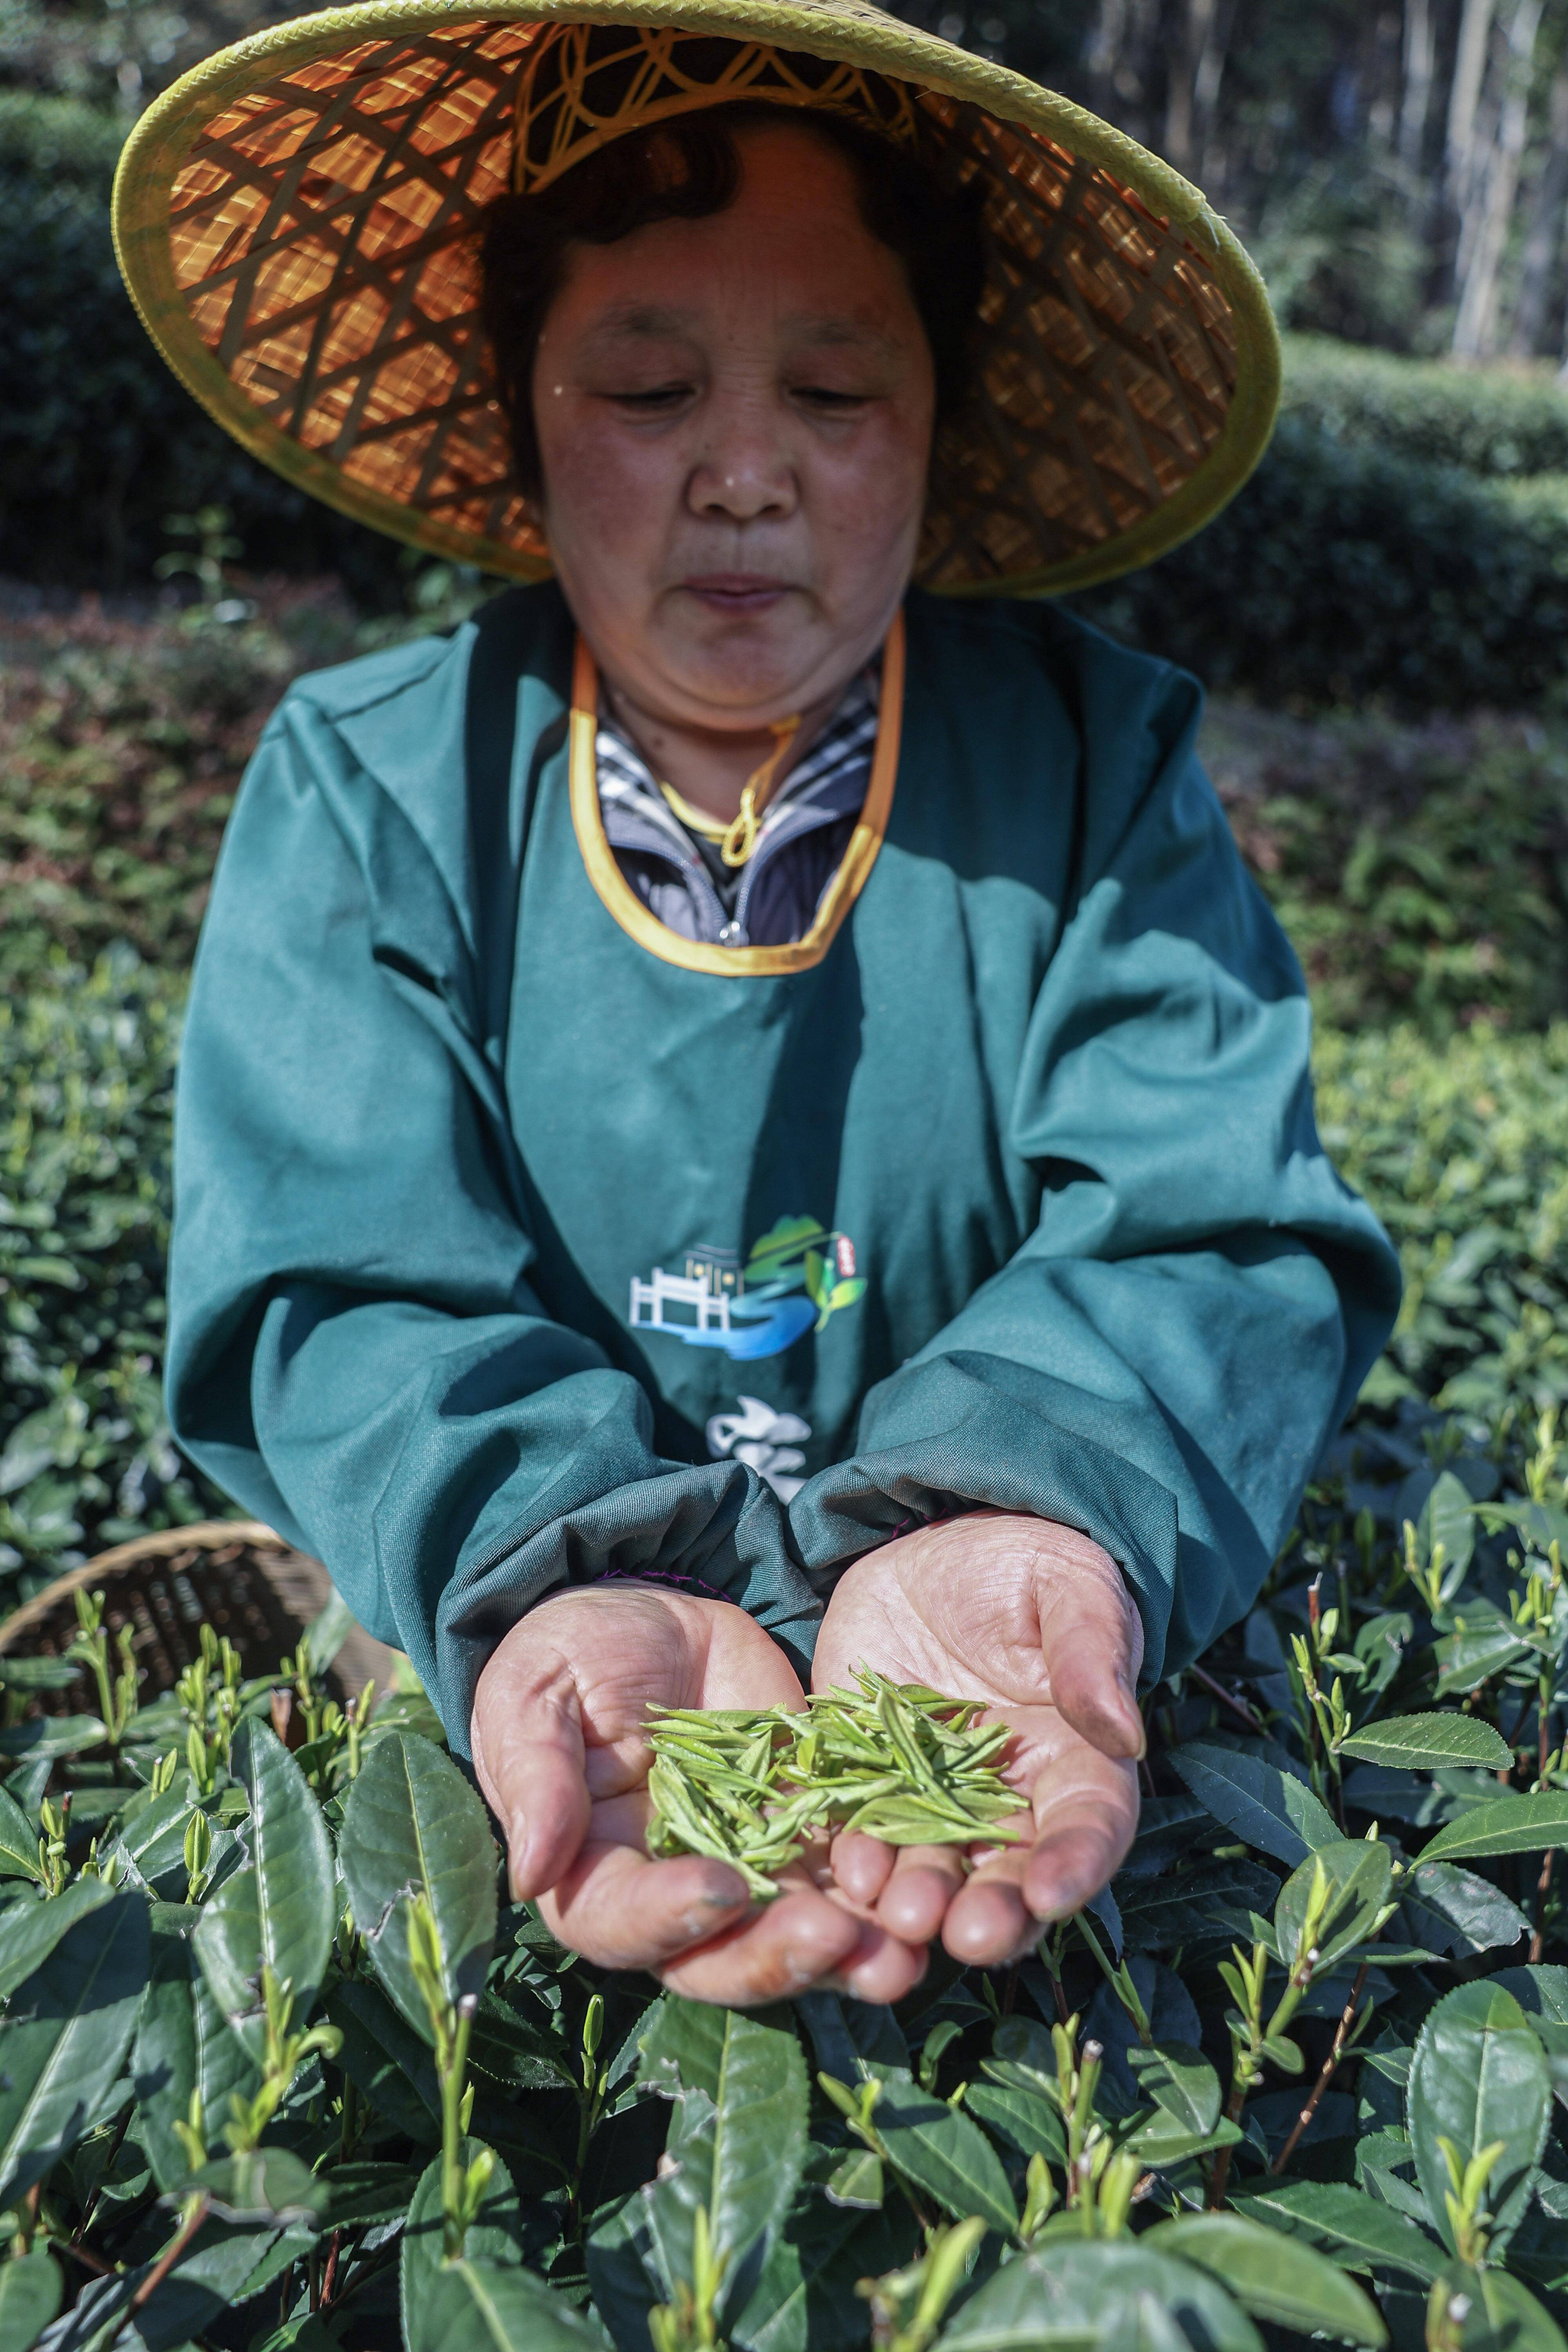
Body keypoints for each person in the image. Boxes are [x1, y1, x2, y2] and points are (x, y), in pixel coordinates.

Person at [118, 5, 1401, 2007]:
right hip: (537, 1674)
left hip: (991, 1683)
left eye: (833, 390)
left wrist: (1016, 1519)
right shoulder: (374, 787)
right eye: (644, 386)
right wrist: (562, 1567)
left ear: (936, 422)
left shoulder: (1088, 768)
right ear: (525, 414)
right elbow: (333, 1280)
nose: (741, 475)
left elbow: (1208, 1226)